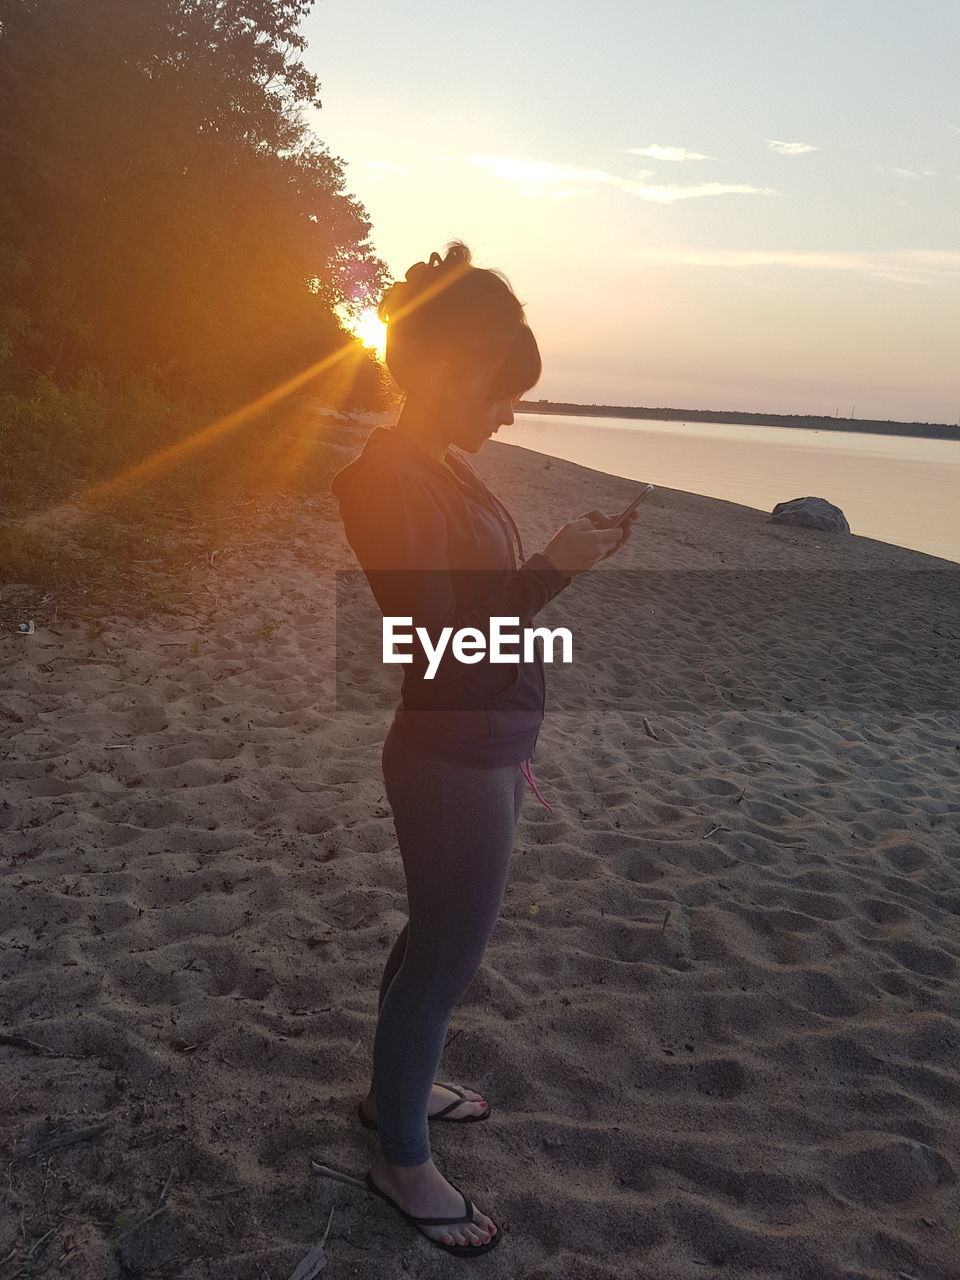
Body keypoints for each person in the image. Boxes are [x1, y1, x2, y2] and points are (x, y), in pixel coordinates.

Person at [330, 241, 637, 1257]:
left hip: (485, 747)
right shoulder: (389, 479)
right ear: (446, 371)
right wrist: (555, 566)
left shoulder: (440, 471)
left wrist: (561, 561)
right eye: (502, 392)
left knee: (430, 940)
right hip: (450, 753)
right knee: (444, 962)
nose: (508, 413)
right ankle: (403, 1159)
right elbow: (448, 639)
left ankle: (392, 1099)